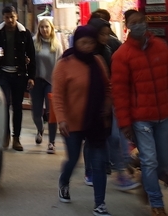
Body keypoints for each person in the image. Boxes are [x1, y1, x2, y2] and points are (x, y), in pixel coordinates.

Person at [113, 9, 168, 216]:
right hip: (140, 119)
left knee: (165, 161)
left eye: (141, 21)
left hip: (163, 115)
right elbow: (120, 93)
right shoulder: (122, 56)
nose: (139, 25)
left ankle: (146, 183)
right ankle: (157, 203)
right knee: (150, 160)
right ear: (127, 26)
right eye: (133, 23)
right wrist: (125, 123)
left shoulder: (161, 48)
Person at [54, 25, 113, 216]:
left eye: (91, 43)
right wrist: (61, 119)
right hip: (72, 122)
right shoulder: (64, 64)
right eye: (84, 42)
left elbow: (107, 87)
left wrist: (106, 104)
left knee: (99, 162)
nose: (88, 46)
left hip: (96, 121)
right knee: (73, 159)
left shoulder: (97, 62)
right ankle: (64, 181)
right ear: (76, 43)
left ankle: (100, 204)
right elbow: (58, 96)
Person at [86, 17, 139, 191]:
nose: (105, 37)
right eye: (102, 34)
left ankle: (121, 172)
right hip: (94, 103)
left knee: (117, 136)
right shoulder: (87, 52)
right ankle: (94, 171)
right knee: (97, 140)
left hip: (112, 99)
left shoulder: (108, 49)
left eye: (107, 34)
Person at [0, 6, 36, 151]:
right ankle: (5, 136)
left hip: (19, 75)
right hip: (2, 74)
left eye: (12, 17)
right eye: (7, 17)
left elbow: (32, 56)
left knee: (17, 107)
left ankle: (16, 138)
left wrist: (31, 77)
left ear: (17, 17)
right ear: (3, 18)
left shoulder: (24, 33)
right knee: (4, 104)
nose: (9, 20)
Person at [30, 17, 62, 154]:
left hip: (52, 82)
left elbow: (61, 63)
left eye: (47, 27)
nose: (44, 29)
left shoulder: (57, 45)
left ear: (51, 28)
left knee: (51, 113)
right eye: (42, 27)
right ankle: (40, 129)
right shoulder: (33, 43)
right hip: (36, 81)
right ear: (39, 29)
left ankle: (52, 142)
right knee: (36, 112)